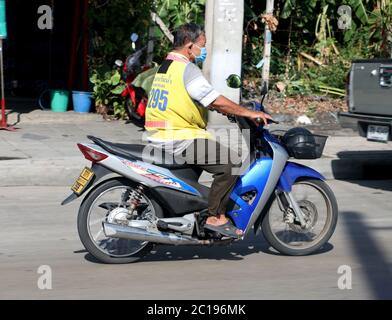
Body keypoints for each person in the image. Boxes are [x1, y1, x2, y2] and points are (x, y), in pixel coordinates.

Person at [145, 23, 272, 238]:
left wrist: (222, 109)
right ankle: (215, 216)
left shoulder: (166, 67)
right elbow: (214, 99)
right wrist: (248, 113)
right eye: (202, 46)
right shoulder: (187, 69)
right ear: (189, 45)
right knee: (230, 163)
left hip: (161, 135)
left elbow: (190, 99)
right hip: (179, 137)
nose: (204, 51)